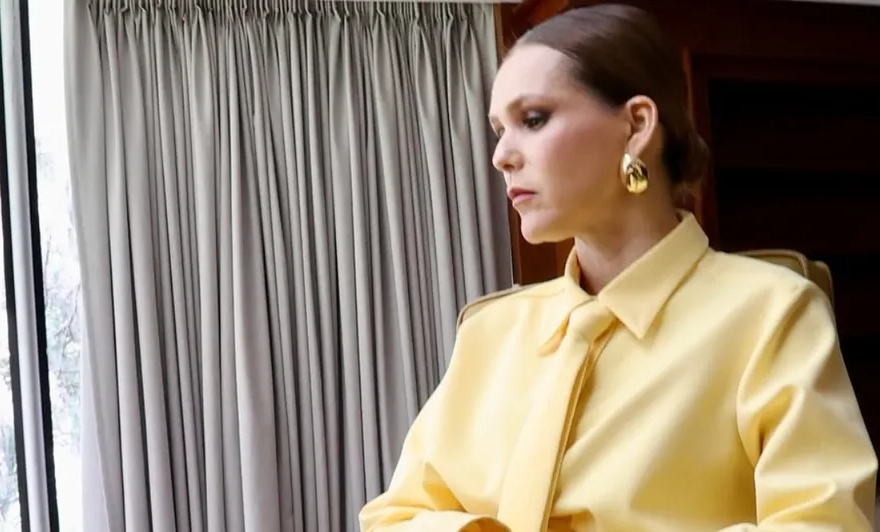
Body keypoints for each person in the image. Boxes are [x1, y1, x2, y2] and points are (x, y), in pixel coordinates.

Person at [359, 4, 877, 532]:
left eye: (533, 119)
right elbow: (394, 517)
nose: (501, 156)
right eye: (500, 129)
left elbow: (825, 523)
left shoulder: (774, 314)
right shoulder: (488, 332)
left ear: (636, 126)